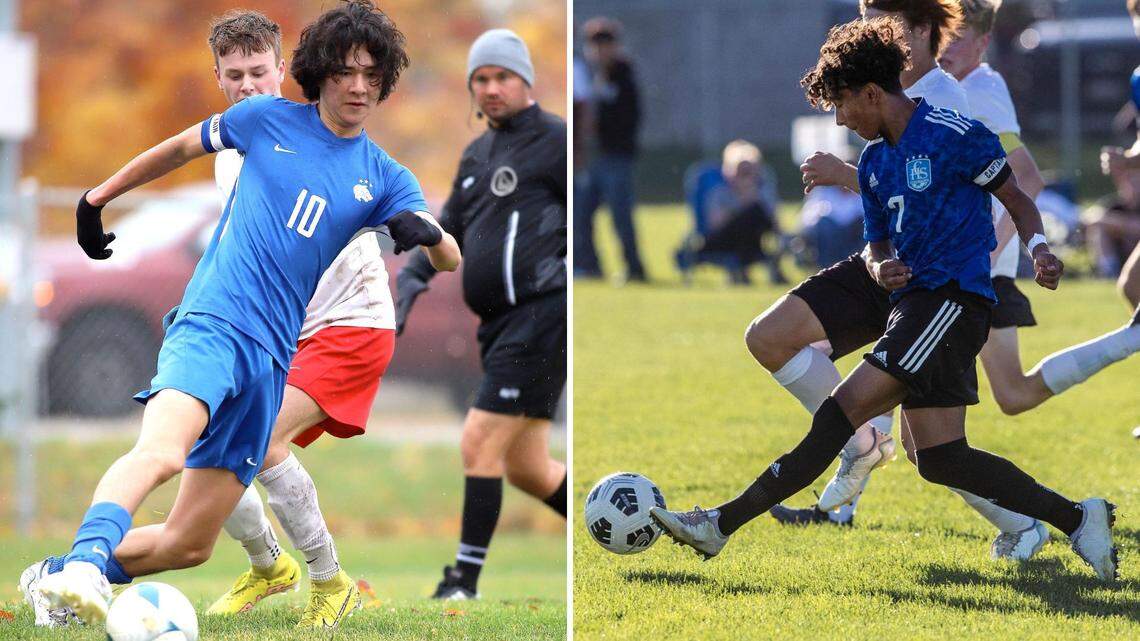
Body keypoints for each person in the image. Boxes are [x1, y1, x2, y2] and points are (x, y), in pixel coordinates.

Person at [24, 1, 460, 628]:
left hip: (273, 357)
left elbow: (449, 258)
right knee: (163, 451)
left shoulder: (384, 175)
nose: (358, 86)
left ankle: (55, 575)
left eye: (372, 74)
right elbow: (178, 149)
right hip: (214, 324)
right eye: (344, 72)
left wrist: (429, 234)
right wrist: (96, 199)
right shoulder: (262, 120)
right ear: (317, 73)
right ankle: (89, 563)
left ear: (386, 80)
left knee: (188, 544)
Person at [649, 16, 1118, 583]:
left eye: (845, 106)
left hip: (950, 303)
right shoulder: (873, 162)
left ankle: (718, 524)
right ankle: (1079, 518)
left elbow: (1017, 198)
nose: (842, 120)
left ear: (873, 92)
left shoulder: (953, 133)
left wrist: (1039, 248)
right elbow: (874, 246)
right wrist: (880, 264)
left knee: (837, 417)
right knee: (942, 458)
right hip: (915, 304)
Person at [775, 0, 1140, 536]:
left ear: (930, 33)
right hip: (930, 269)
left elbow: (1020, 180)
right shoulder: (913, 91)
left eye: (883, 23)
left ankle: (1027, 520)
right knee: (923, 428)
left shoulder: (967, 94)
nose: (874, 34)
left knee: (976, 410)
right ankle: (852, 487)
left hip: (964, 275)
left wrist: (991, 252)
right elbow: (903, 181)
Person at [190, 9, 407, 627]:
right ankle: (267, 565)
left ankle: (330, 579)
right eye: (234, 75)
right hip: (280, 329)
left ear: (283, 70)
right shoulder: (231, 146)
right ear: (219, 78)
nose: (248, 85)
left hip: (351, 322)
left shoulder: (314, 129)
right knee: (209, 441)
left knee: (258, 439)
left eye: (259, 71)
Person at [395, 29, 567, 600]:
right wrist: (413, 280)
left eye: (503, 77)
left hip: (542, 315)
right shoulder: (477, 154)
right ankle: (619, 522)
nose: (491, 89)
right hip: (498, 328)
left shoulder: (556, 141)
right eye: (481, 80)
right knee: (529, 469)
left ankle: (462, 583)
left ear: (525, 80)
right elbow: (452, 231)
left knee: (478, 440)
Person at [574, 17, 647, 282]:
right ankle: (589, 265)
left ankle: (635, 268)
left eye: (605, 45)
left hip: (617, 157)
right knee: (581, 212)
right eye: (595, 45)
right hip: (596, 158)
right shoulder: (592, 75)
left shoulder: (623, 76)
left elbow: (629, 118)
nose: (599, 51)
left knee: (620, 216)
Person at [676, 140, 787, 285]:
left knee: (756, 213)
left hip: (753, 242)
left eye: (749, 171)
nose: (744, 176)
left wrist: (752, 197)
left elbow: (774, 224)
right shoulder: (719, 193)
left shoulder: (761, 193)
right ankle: (740, 270)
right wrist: (743, 202)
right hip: (722, 241)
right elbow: (715, 225)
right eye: (740, 171)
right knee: (752, 213)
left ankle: (746, 271)